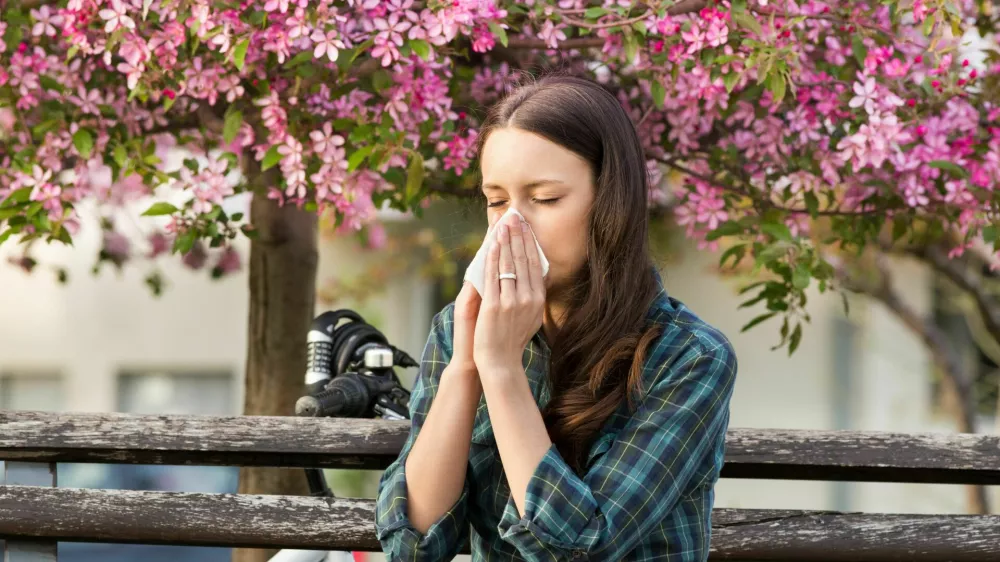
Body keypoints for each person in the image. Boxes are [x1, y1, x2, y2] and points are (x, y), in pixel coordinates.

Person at [374, 73, 738, 561]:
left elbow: (580, 550)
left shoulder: (689, 357)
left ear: (611, 201)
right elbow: (412, 544)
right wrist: (466, 364)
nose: (511, 226)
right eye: (497, 201)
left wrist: (501, 371)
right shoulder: (459, 331)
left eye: (544, 199)